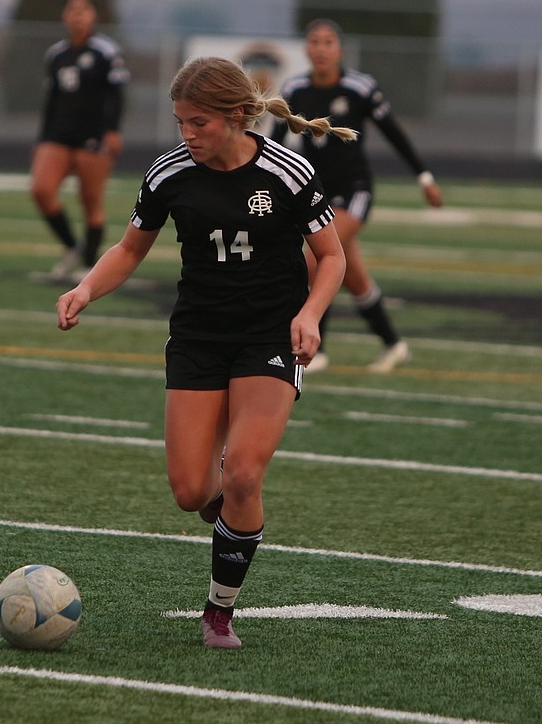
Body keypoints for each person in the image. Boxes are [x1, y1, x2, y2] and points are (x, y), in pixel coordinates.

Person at [56, 57, 348, 650]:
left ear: (237, 116)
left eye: (199, 123)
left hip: (270, 335)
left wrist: (309, 314)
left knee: (242, 473)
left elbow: (334, 258)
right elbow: (130, 248)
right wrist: (85, 288)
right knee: (192, 492)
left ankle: (219, 610)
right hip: (198, 336)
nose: (186, 134)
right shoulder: (169, 175)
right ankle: (237, 514)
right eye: (179, 122)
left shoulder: (288, 171)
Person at [271, 18, 443, 374]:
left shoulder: (360, 88)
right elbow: (272, 144)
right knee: (354, 278)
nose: (320, 48)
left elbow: (395, 134)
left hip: (354, 192)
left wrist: (424, 177)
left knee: (317, 260)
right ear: (306, 49)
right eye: (314, 41)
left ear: (340, 50)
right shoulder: (294, 89)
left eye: (328, 42)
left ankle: (317, 349)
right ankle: (394, 345)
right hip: (314, 194)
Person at [30, 0, 130, 282]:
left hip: (93, 134)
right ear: (64, 16)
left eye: (83, 10)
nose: (77, 16)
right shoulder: (56, 55)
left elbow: (116, 94)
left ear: (93, 16)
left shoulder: (106, 51)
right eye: (72, 10)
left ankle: (89, 265)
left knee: (90, 200)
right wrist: (42, 139)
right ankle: (72, 246)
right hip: (59, 133)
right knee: (41, 189)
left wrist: (112, 130)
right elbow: (52, 99)